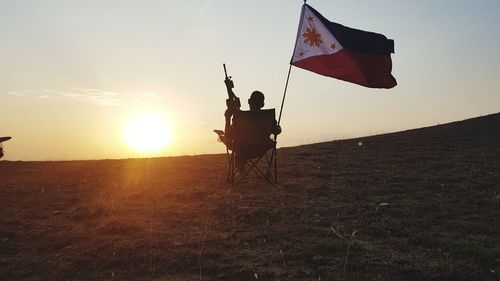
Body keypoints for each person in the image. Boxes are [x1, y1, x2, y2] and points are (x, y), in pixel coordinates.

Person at [223, 79, 281, 175]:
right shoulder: (268, 117)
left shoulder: (240, 117)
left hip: (241, 148)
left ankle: (239, 170)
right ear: (262, 104)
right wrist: (278, 127)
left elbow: (228, 135)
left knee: (233, 143)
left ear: (249, 101)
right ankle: (241, 165)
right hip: (261, 148)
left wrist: (227, 118)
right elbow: (276, 131)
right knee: (239, 147)